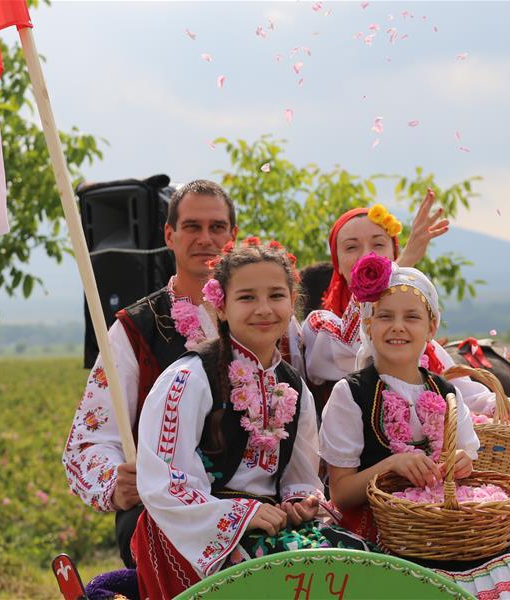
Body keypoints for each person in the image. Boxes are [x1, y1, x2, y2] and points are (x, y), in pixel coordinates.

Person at [131, 239, 374, 599]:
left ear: (292, 303)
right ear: (222, 306)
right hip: (195, 533)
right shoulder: (188, 379)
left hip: (269, 524)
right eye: (246, 297)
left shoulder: (293, 385)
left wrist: (299, 502)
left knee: (357, 561)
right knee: (291, 579)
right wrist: (240, 515)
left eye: (276, 296)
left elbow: (300, 477)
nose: (263, 309)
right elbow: (165, 483)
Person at [319, 256, 510, 599]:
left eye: (412, 317)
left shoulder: (447, 392)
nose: (398, 327)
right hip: (378, 534)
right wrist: (391, 465)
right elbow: (341, 493)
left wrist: (461, 462)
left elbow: (467, 463)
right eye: (385, 316)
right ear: (368, 326)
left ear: (431, 328)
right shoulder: (350, 394)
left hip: (443, 532)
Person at [62, 179, 237, 568]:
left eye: (216, 227)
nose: (205, 238)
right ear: (169, 235)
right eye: (192, 226)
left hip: (253, 502)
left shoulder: (266, 319)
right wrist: (114, 481)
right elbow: (88, 442)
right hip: (163, 509)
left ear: (233, 235)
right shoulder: (134, 329)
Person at [303, 198, 510, 454]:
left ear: (393, 253)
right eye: (351, 247)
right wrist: (402, 264)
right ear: (337, 262)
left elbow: (466, 392)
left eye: (378, 244)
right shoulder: (320, 325)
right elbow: (355, 345)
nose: (367, 255)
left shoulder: (419, 340)